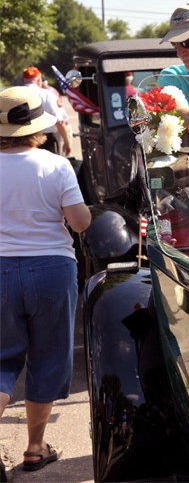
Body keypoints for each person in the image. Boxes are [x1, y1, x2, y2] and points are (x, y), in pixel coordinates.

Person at [0, 87, 92, 476]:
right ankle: (35, 447)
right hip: (53, 269)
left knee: (1, 362)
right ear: (40, 126)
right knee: (49, 358)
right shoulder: (56, 166)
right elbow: (80, 222)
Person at [21, 67, 72, 156]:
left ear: (23, 80)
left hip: (20, 142)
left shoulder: (13, 95)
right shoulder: (47, 95)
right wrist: (67, 141)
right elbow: (59, 122)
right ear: (39, 80)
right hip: (46, 141)